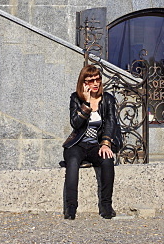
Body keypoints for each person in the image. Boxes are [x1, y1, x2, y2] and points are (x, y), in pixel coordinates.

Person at [62, 64, 120, 220]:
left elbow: (111, 122)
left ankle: (106, 206)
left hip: (96, 145)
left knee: (108, 160)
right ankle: (71, 208)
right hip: (77, 145)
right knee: (72, 162)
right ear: (83, 83)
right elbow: (75, 123)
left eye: (98, 79)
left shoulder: (107, 99)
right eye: (90, 81)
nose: (95, 83)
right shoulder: (75, 98)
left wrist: (106, 143)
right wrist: (86, 104)